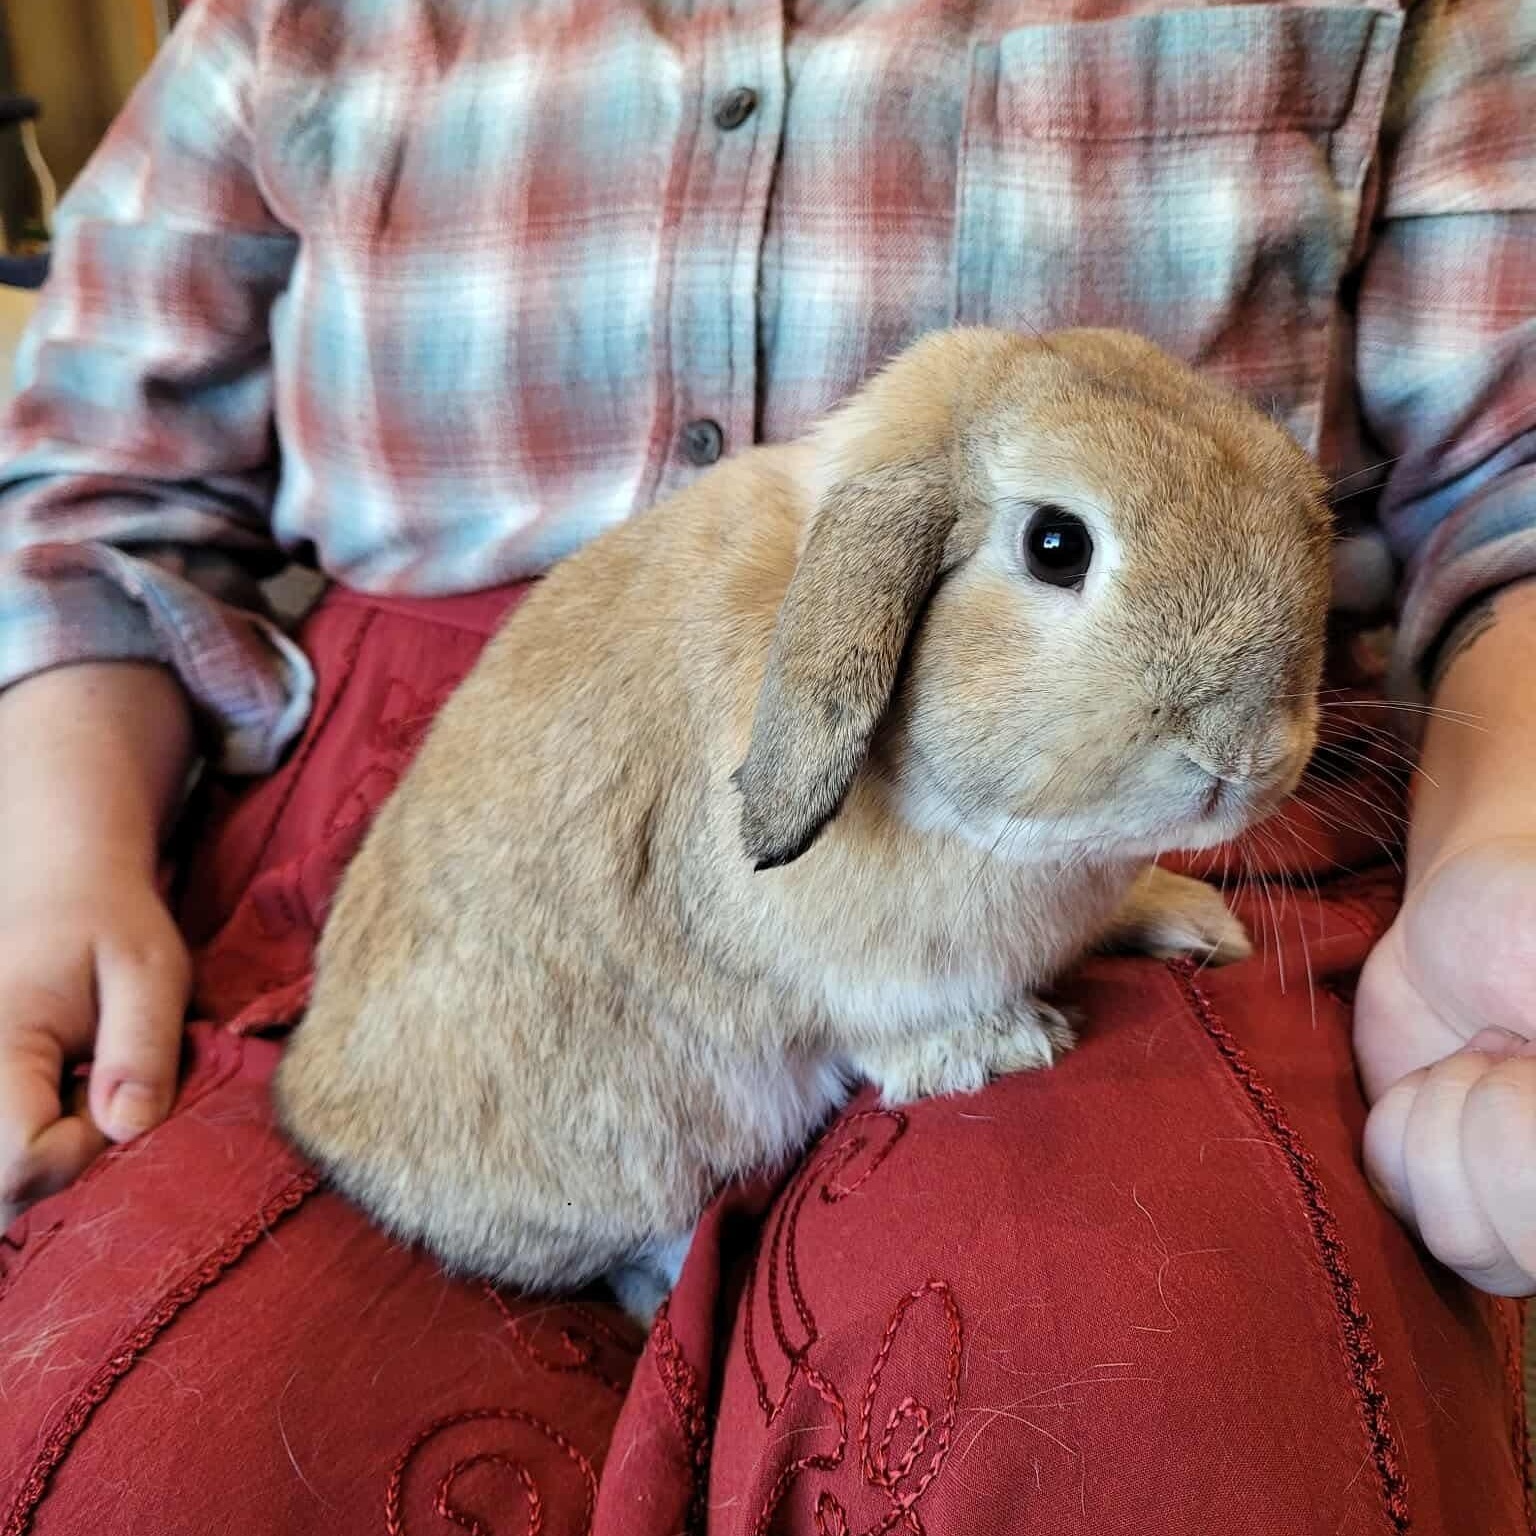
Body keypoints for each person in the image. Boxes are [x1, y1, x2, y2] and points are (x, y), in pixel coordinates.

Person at [0, 0, 1532, 1530]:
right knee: (180, 1458)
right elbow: (98, 486)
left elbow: (1505, 485)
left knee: (1149, 1408)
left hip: (1172, 816)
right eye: (1060, 553)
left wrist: (1505, 835)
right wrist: (56, 852)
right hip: (464, 852)